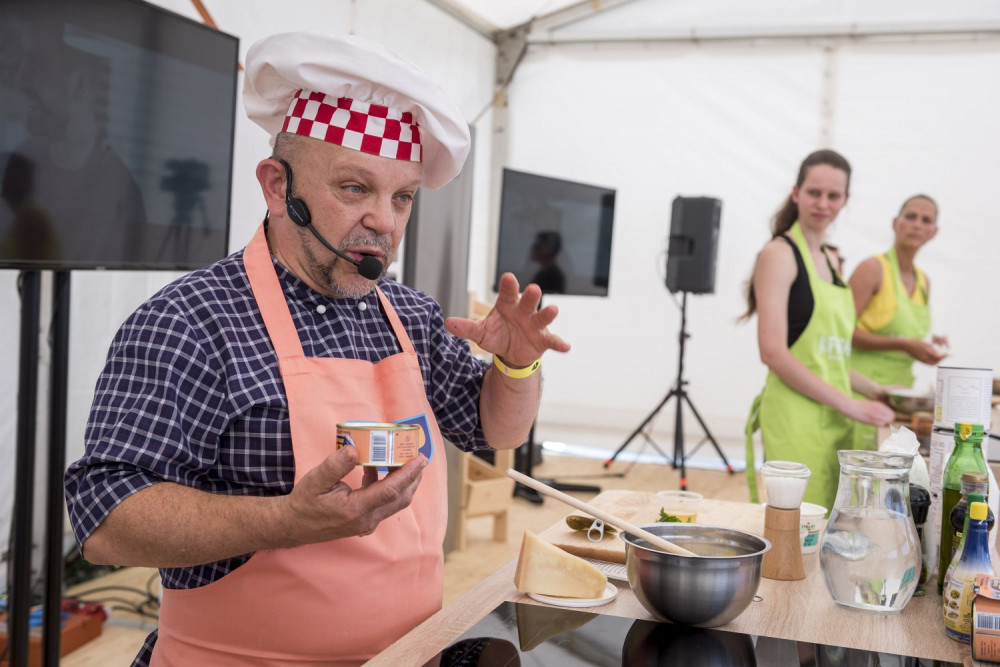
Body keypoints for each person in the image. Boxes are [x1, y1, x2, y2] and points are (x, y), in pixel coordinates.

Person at [64, 32, 570, 667]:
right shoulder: (191, 320)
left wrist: (516, 364)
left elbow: (498, 430)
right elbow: (106, 521)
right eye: (355, 188)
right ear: (278, 187)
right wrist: (288, 521)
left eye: (402, 197)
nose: (384, 221)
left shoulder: (411, 317)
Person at [741, 149, 895, 511]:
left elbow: (829, 358)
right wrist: (852, 405)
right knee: (800, 531)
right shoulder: (779, 254)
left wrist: (877, 391)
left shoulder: (831, 258)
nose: (823, 203)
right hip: (796, 422)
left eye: (833, 195)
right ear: (796, 193)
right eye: (814, 192)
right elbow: (773, 353)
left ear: (845, 200)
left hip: (835, 422)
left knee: (829, 532)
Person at [848, 194, 947, 449]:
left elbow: (900, 334)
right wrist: (905, 344)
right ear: (895, 223)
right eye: (911, 217)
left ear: (933, 232)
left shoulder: (924, 282)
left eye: (925, 220)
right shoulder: (872, 269)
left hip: (900, 399)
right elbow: (841, 333)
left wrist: (928, 347)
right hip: (859, 392)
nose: (917, 225)